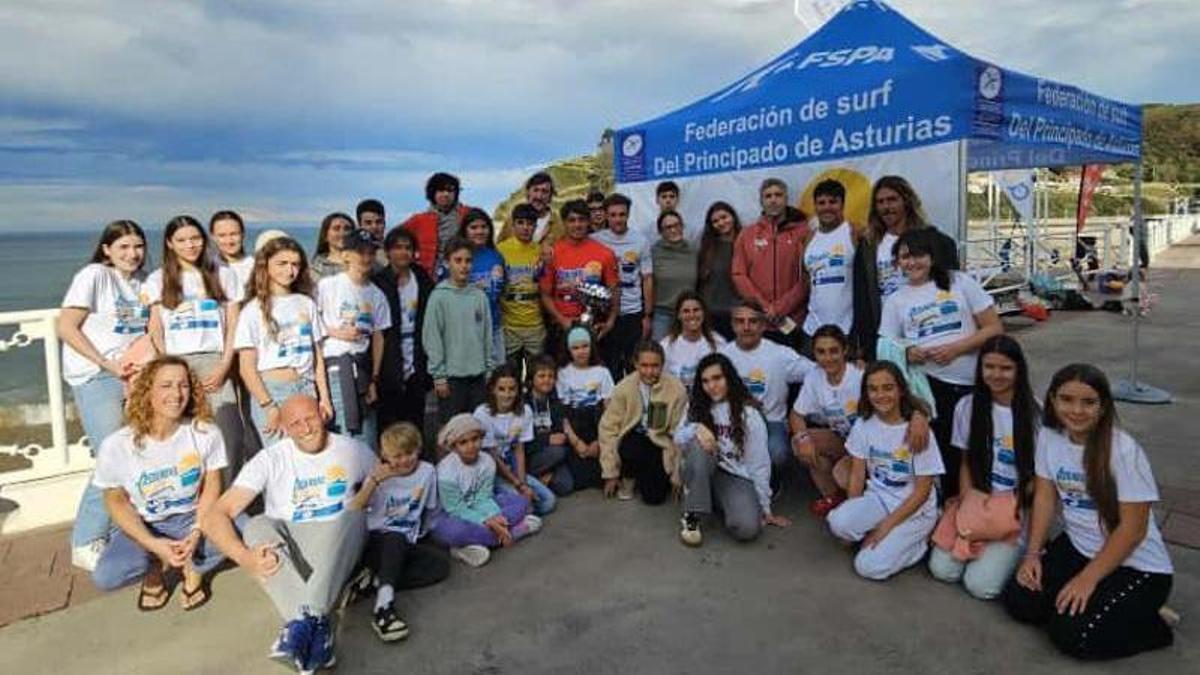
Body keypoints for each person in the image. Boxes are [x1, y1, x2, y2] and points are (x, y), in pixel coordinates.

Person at [1003, 364, 1175, 659]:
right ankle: (1111, 607)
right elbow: (1045, 498)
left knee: (1072, 635)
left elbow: (1133, 531)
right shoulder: (1049, 437)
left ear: (1104, 405)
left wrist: (1087, 578)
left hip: (1135, 566)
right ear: (1053, 401)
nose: (1077, 411)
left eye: (1088, 402)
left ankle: (1153, 624)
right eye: (1067, 399)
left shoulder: (1123, 450)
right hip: (1079, 549)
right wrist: (1032, 555)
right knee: (1021, 601)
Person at [202, 395, 376, 673]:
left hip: (335, 541)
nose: (305, 428)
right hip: (290, 544)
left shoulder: (354, 450)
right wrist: (244, 558)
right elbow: (215, 515)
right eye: (295, 423)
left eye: (310, 418)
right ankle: (315, 625)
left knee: (355, 515)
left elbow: (385, 491)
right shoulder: (271, 458)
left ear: (323, 414)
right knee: (258, 524)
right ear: (283, 428)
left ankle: (300, 629)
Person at [90, 356, 226, 611]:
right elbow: (115, 500)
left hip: (192, 516)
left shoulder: (206, 433)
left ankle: (194, 568)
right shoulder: (117, 445)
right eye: (166, 385)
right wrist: (151, 543)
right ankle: (153, 567)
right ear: (147, 390)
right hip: (146, 521)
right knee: (107, 575)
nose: (176, 394)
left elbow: (212, 486)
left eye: (183, 385)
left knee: (245, 533)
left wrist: (197, 530)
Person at [880, 227, 1003, 499]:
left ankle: (984, 510)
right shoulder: (895, 300)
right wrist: (908, 351)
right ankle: (948, 510)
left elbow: (994, 328)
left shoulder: (960, 282)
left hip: (973, 385)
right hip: (930, 390)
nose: (912, 262)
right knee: (944, 456)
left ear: (932, 257)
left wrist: (956, 349)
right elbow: (886, 347)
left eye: (918, 255)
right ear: (897, 263)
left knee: (979, 451)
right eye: (904, 257)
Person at [59, 219, 151, 570]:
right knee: (112, 455)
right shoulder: (95, 275)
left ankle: (116, 531)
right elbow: (65, 326)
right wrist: (104, 363)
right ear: (107, 249)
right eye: (124, 246)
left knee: (133, 453)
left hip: (133, 377)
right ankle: (85, 540)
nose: (132, 253)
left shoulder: (142, 282)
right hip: (96, 375)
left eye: (138, 246)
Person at [929, 335, 1040, 600]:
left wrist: (1013, 508)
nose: (996, 374)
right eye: (989, 367)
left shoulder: (1037, 414)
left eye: (1005, 368)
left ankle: (1014, 549)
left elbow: (1041, 478)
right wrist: (969, 505)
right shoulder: (967, 407)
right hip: (979, 498)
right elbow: (967, 461)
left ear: (1019, 370)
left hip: (1015, 507)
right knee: (942, 570)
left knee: (981, 586)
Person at [145, 215, 244, 480]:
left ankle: (227, 496)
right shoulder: (157, 279)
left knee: (228, 431)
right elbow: (155, 327)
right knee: (185, 432)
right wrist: (165, 367)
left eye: (195, 238)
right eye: (182, 240)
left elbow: (234, 324)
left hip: (214, 360)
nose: (190, 245)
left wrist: (225, 364)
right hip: (177, 362)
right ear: (170, 243)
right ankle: (197, 496)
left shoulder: (223, 274)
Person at [827, 362, 943, 580]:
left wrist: (884, 528)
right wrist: (853, 511)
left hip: (913, 509)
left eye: (888, 388)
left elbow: (922, 492)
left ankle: (920, 541)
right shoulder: (863, 425)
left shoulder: (917, 431)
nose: (881, 395)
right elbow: (857, 474)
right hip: (879, 498)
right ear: (866, 393)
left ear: (900, 390)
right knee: (838, 522)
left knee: (867, 567)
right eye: (873, 389)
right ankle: (882, 536)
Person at [349, 422, 449, 643]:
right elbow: (354, 509)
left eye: (410, 453)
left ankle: (375, 581)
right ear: (385, 455)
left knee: (440, 567)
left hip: (408, 538)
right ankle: (384, 607)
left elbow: (430, 511)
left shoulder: (427, 471)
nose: (404, 460)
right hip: (378, 539)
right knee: (394, 537)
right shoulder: (378, 475)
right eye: (397, 455)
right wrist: (373, 482)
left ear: (419, 450)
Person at [676, 353, 790, 546]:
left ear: (729, 377)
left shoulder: (749, 413)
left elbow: (759, 462)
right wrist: (697, 428)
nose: (711, 386)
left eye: (717, 378)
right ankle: (692, 516)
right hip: (701, 466)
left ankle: (711, 498)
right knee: (698, 444)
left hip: (734, 475)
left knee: (747, 528)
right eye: (705, 381)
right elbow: (678, 438)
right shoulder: (695, 404)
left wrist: (765, 507)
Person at [234, 237, 333, 445]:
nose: (290, 270)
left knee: (311, 449)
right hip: (273, 389)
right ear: (266, 265)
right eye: (282, 263)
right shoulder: (252, 310)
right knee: (280, 454)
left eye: (295, 264)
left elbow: (317, 357)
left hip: (306, 385)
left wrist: (324, 397)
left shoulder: (306, 303)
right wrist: (268, 405)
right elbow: (246, 367)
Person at [851, 175, 960, 361]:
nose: (886, 207)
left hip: (928, 331)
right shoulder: (869, 245)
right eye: (880, 202)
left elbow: (952, 289)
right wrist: (866, 345)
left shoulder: (936, 241)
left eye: (892, 199)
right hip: (887, 335)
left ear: (907, 201)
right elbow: (862, 299)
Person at [719, 303, 814, 488]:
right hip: (732, 422)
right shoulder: (722, 355)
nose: (746, 327)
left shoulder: (780, 354)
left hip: (772, 422)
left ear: (763, 325)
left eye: (753, 321)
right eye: (740, 322)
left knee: (776, 453)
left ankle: (772, 482)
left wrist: (852, 367)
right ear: (732, 325)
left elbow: (816, 372)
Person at [428, 414, 541, 567]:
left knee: (520, 501)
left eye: (475, 439)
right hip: (452, 516)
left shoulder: (487, 461)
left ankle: (475, 545)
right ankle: (513, 532)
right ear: (454, 446)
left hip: (482, 509)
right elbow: (456, 509)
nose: (471, 446)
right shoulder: (445, 472)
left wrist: (495, 517)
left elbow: (484, 497)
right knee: (452, 531)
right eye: (463, 442)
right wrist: (488, 522)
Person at [317, 228, 391, 446]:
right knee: (341, 434)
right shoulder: (328, 286)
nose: (366, 258)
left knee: (367, 434)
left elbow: (379, 337)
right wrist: (338, 332)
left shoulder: (376, 294)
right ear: (346, 255)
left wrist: (375, 378)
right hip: (335, 368)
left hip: (363, 369)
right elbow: (313, 324)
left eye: (371, 252)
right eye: (360, 252)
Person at [598, 341, 687, 504]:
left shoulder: (677, 389)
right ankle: (628, 476)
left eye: (655, 366)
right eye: (644, 365)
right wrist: (610, 472)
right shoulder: (623, 388)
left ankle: (650, 476)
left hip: (660, 442)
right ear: (635, 364)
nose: (649, 371)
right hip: (633, 440)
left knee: (654, 498)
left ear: (662, 365)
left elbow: (679, 434)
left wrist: (677, 474)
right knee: (632, 446)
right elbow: (608, 429)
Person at [789, 325, 863, 518]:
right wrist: (803, 439)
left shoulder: (860, 376)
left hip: (868, 447)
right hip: (843, 439)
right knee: (800, 443)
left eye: (833, 351)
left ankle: (857, 507)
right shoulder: (815, 376)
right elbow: (796, 415)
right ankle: (832, 498)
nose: (827, 358)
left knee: (842, 474)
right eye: (821, 352)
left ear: (845, 350)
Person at [422, 237, 494, 426]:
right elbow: (432, 338)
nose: (464, 266)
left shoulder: (479, 296)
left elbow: (487, 335)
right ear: (447, 262)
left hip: (478, 376)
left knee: (477, 428)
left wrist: (489, 368)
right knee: (451, 431)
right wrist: (438, 375)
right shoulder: (439, 296)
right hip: (452, 378)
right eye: (458, 260)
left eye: (468, 261)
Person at [372, 227, 435, 439]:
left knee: (416, 418)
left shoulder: (421, 277)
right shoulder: (380, 282)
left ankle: (417, 464)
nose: (403, 252)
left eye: (408, 248)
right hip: (390, 359)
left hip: (417, 356)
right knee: (390, 421)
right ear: (388, 252)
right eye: (397, 247)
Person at [732, 179, 810, 344]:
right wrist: (764, 307)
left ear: (786, 199)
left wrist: (781, 307)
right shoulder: (747, 234)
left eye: (778, 195)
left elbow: (807, 276)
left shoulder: (803, 232)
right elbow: (739, 274)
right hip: (759, 322)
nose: (773, 200)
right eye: (768, 196)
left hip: (794, 320)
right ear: (761, 201)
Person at [473, 365, 557, 515]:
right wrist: (518, 484)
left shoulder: (525, 411)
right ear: (493, 389)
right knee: (522, 501)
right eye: (502, 389)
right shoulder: (482, 413)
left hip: (510, 463)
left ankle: (519, 510)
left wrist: (523, 483)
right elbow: (492, 455)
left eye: (512, 389)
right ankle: (505, 506)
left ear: (518, 390)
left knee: (549, 501)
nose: (507, 394)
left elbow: (519, 450)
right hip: (491, 468)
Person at [540, 199, 619, 353]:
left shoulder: (605, 253)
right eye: (572, 220)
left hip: (595, 326)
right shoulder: (552, 254)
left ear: (589, 221)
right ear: (564, 223)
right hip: (562, 326)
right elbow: (545, 294)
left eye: (582, 219)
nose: (577, 225)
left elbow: (614, 290)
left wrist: (610, 322)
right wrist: (562, 320)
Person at [591, 193, 653, 380]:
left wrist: (647, 315)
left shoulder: (640, 241)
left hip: (633, 313)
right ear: (606, 216)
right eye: (613, 215)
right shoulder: (595, 240)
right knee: (610, 369)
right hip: (606, 314)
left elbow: (647, 278)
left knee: (634, 368)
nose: (618, 219)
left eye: (622, 214)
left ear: (628, 215)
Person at [800, 179, 858, 357]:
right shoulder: (809, 238)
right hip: (813, 329)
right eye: (821, 203)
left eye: (833, 202)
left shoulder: (854, 232)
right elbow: (807, 279)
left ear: (842, 204)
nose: (827, 207)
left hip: (847, 330)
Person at [557, 326, 613, 490]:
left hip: (597, 424)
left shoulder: (602, 372)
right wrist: (576, 442)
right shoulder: (563, 373)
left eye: (585, 346)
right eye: (575, 348)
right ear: (568, 350)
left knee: (601, 476)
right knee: (578, 481)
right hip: (575, 428)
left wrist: (599, 441)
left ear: (591, 347)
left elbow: (609, 411)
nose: (581, 352)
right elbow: (563, 414)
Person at [497, 202, 547, 377]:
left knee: (536, 378)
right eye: (521, 223)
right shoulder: (500, 250)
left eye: (530, 223)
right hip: (509, 327)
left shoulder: (540, 251)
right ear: (513, 224)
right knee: (510, 377)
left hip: (536, 327)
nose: (526, 228)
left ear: (535, 226)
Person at [459, 208, 507, 367]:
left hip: (493, 326)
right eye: (474, 227)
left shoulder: (496, 256)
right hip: (466, 329)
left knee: (498, 376)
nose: (479, 231)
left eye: (484, 227)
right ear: (464, 230)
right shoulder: (458, 257)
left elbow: (500, 290)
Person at [400, 172, 470, 279]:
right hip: (429, 278)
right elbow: (394, 238)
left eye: (450, 190)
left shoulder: (467, 214)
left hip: (463, 275)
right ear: (432, 193)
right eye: (441, 190)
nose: (446, 194)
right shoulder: (419, 219)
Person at [525, 354, 574, 495]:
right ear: (531, 378)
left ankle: (542, 477)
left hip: (550, 456)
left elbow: (561, 434)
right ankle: (530, 477)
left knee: (566, 485)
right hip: (531, 453)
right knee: (557, 451)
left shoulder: (555, 402)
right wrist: (547, 439)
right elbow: (523, 441)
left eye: (550, 376)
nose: (547, 380)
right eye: (541, 376)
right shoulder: (524, 403)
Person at [659, 290, 726, 391]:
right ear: (678, 315)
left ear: (703, 313)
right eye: (686, 311)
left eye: (696, 310)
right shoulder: (666, 346)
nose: (692, 315)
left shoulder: (719, 343)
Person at [695, 201, 742, 340]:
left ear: (732, 216)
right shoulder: (707, 247)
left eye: (724, 217)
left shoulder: (745, 243)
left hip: (738, 313)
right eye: (715, 221)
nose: (721, 223)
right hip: (711, 313)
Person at [650, 210, 697, 340]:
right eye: (668, 227)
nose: (673, 230)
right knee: (659, 354)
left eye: (677, 225)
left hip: (689, 314)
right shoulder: (653, 252)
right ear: (661, 232)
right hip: (663, 314)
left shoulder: (693, 251)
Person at [498, 171, 564, 250]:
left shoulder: (559, 224)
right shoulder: (512, 219)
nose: (539, 196)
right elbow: (498, 250)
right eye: (535, 190)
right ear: (528, 192)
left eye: (544, 191)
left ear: (550, 196)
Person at [209, 210, 255, 294]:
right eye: (222, 235)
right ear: (213, 237)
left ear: (243, 234)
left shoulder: (257, 266)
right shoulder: (207, 269)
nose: (229, 241)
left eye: (234, 234)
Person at [311, 213, 355, 281]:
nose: (343, 233)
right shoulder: (316, 268)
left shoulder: (366, 263)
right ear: (325, 236)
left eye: (347, 229)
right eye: (336, 228)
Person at [356, 198, 389, 272]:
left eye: (379, 222)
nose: (374, 227)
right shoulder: (353, 253)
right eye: (368, 223)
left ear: (384, 223)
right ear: (359, 225)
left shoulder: (394, 251)